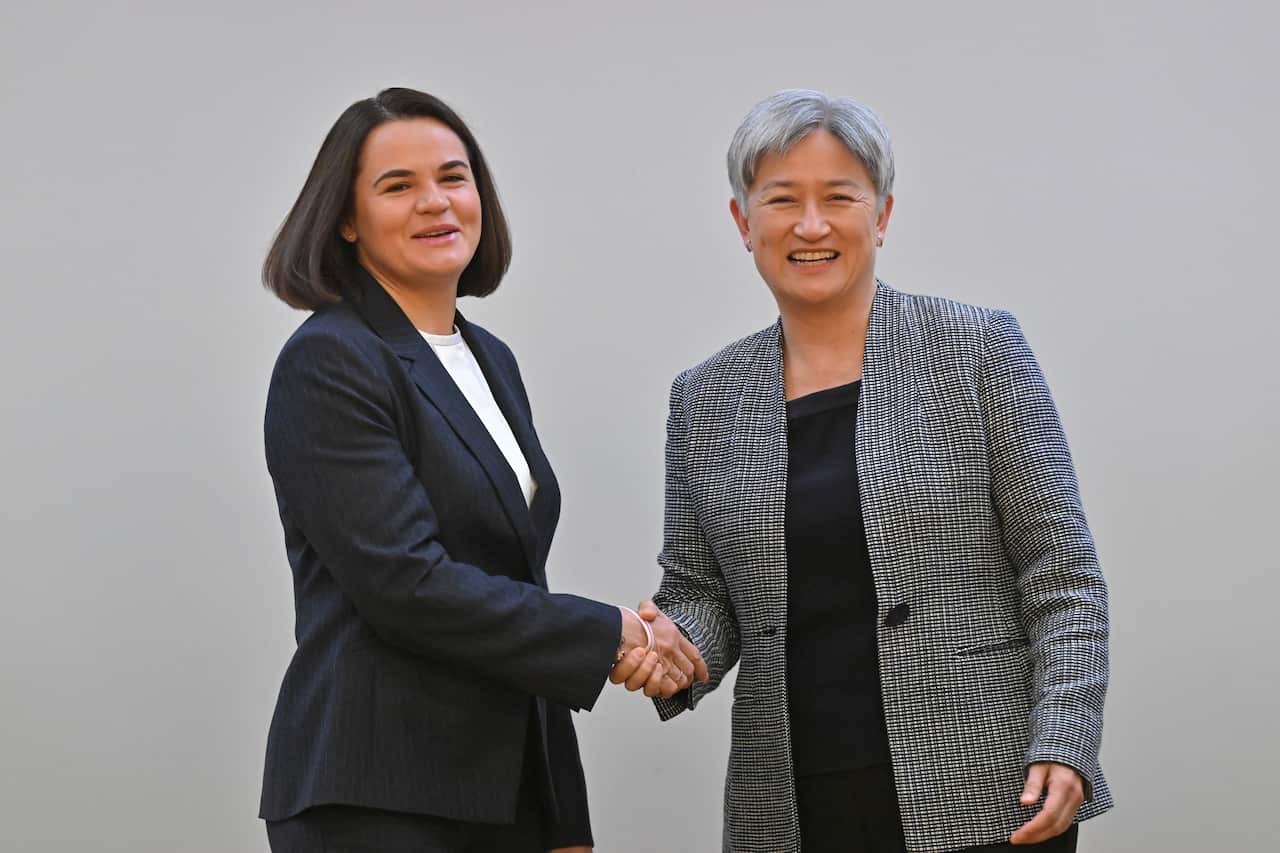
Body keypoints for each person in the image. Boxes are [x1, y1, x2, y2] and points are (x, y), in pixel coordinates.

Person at [621, 89, 1112, 852]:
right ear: (742, 221)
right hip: (788, 801)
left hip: (987, 787)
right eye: (782, 199)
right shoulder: (703, 397)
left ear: (880, 214)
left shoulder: (977, 349)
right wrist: (670, 646)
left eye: (838, 197)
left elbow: (1062, 573)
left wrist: (1066, 736)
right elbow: (701, 591)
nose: (810, 225)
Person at [257, 87, 705, 853]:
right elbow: (407, 584)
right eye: (397, 185)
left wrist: (564, 815)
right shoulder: (330, 358)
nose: (435, 202)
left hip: (507, 795)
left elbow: (514, 584)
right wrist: (610, 633)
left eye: (453, 177)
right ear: (346, 218)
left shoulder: (491, 360)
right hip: (380, 791)